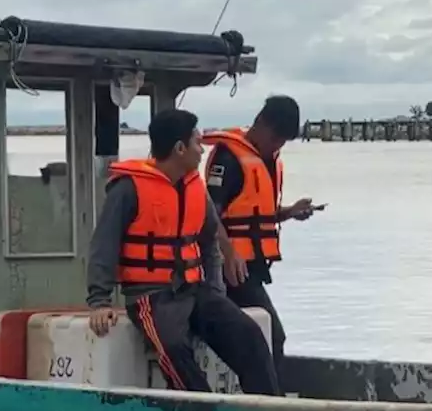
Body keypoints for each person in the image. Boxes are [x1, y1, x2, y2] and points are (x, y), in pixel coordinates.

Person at [85, 108, 283, 396]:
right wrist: (99, 302)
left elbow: (209, 244)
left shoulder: (195, 189)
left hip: (195, 290)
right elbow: (104, 244)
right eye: (196, 142)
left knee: (249, 334)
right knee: (175, 349)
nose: (201, 150)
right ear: (179, 149)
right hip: (150, 297)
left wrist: (215, 290)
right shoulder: (128, 189)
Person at [201, 95, 313, 388]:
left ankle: (265, 397)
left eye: (283, 142)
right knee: (272, 335)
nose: (277, 146)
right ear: (261, 122)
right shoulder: (229, 158)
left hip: (252, 266)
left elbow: (251, 216)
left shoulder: (262, 158)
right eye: (276, 137)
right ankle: (269, 403)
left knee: (262, 336)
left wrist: (289, 212)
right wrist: (228, 252)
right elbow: (208, 213)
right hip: (230, 270)